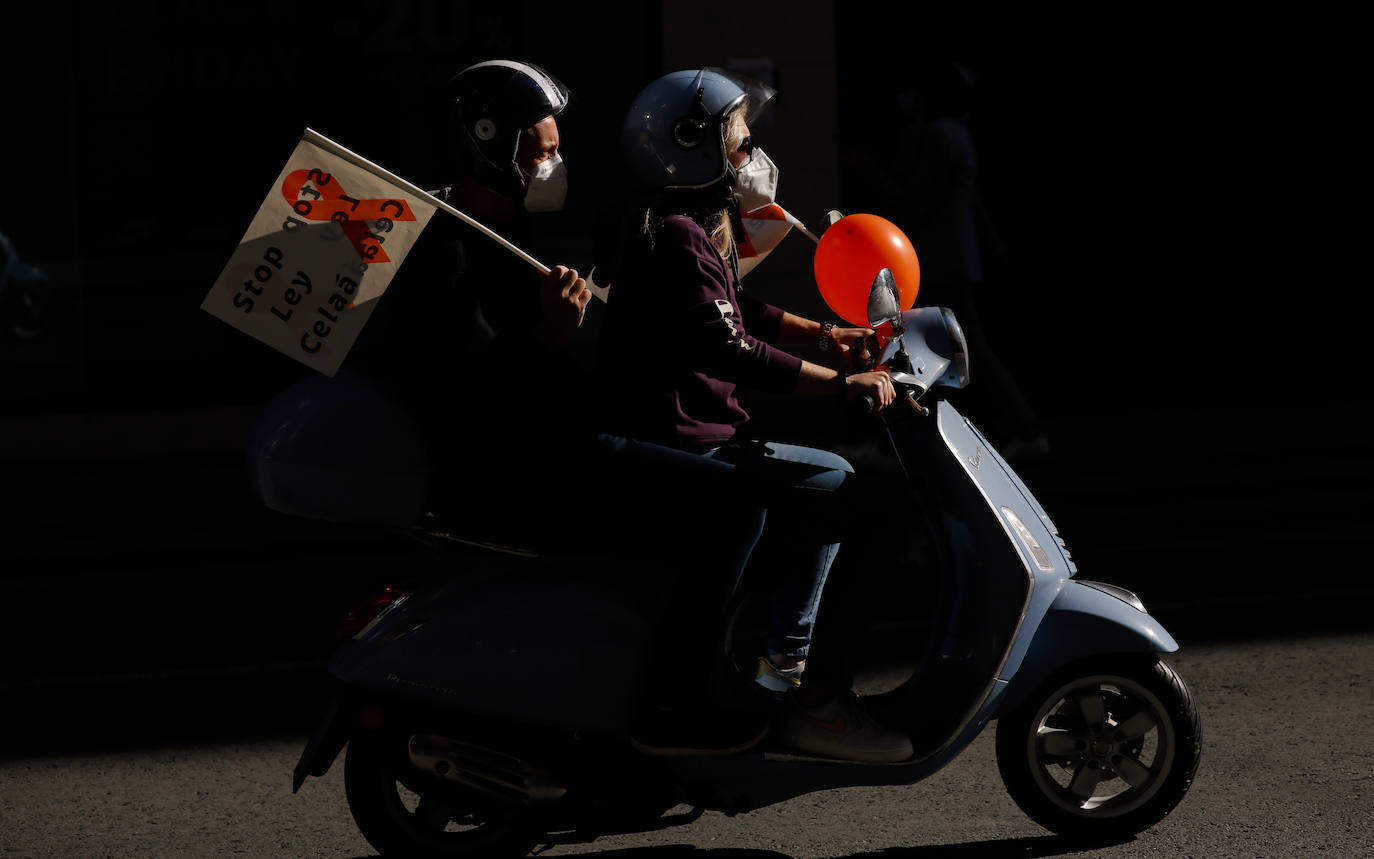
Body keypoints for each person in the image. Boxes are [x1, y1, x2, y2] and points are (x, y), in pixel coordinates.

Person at [592, 68, 914, 762]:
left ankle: (785, 663)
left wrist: (830, 335)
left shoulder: (693, 226)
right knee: (843, 487)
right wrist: (844, 383)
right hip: (679, 438)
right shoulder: (675, 234)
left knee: (838, 480)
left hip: (703, 427)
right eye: (741, 145)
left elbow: (738, 308)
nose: (753, 159)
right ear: (693, 148)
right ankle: (788, 678)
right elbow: (730, 346)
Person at [347, 59, 593, 548]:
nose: (554, 167)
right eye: (543, 154)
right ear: (492, 145)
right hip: (501, 487)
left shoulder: (514, 227)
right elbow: (469, 385)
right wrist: (552, 331)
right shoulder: (443, 245)